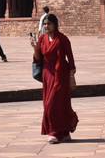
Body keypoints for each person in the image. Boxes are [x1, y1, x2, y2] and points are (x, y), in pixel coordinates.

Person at [31, 13, 78, 144]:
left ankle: (60, 132)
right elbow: (38, 58)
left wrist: (72, 72)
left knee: (59, 103)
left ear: (55, 24)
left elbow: (70, 56)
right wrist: (35, 48)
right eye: (45, 24)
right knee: (49, 104)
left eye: (49, 23)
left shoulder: (62, 39)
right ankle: (57, 132)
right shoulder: (42, 39)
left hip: (61, 74)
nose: (46, 26)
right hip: (48, 74)